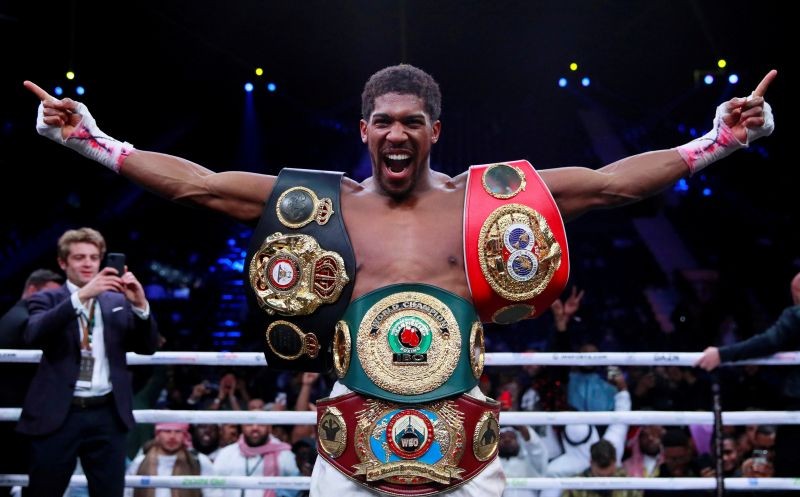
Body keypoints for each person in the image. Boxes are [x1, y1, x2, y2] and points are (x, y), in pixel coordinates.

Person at [24, 64, 776, 496]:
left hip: (467, 443)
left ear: (434, 130)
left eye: (412, 121)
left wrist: (721, 138)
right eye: (383, 120)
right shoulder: (322, 204)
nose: (396, 133)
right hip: (348, 446)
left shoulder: (487, 201)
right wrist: (93, 141)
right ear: (363, 129)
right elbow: (200, 184)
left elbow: (613, 184)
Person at [16, 227, 160, 497]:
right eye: (79, 257)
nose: (88, 263)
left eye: (94, 258)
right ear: (63, 262)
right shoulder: (46, 299)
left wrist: (141, 306)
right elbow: (34, 333)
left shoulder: (117, 301)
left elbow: (147, 347)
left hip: (106, 414)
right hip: (59, 414)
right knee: (44, 492)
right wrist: (82, 296)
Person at [695, 271, 800, 476]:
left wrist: (721, 354)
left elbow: (769, 341)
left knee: (787, 468)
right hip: (778, 424)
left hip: (792, 411)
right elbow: (761, 451)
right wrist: (752, 468)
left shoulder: (796, 315)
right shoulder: (758, 439)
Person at [0, 269, 63, 497]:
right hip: (14, 423)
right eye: (51, 296)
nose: (56, 303)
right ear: (33, 290)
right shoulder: (21, 320)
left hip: (17, 419)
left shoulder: (15, 316)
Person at [210, 401, 299, 497]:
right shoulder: (227, 453)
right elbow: (214, 487)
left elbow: (295, 487)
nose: (255, 428)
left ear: (269, 427)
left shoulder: (284, 454)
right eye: (249, 424)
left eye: (261, 424)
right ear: (242, 427)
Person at [125, 422, 215, 497]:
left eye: (178, 431)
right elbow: (126, 494)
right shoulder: (140, 462)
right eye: (167, 431)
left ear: (184, 435)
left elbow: (213, 494)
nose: (172, 436)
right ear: (158, 434)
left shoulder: (199, 461)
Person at [561, 439, 642, 497]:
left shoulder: (630, 485)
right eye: (600, 476)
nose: (605, 481)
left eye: (609, 475)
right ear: (591, 463)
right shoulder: (574, 487)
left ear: (615, 462)